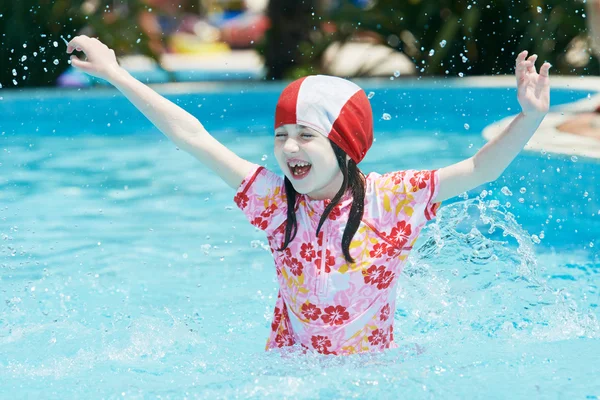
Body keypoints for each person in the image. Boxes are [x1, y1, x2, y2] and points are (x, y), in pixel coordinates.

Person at [66, 35, 551, 355]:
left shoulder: (393, 199)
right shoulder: (276, 203)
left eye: (305, 135)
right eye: (281, 135)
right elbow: (194, 136)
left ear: (344, 144)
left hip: (369, 376)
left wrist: (528, 118)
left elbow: (480, 168)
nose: (289, 148)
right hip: (288, 370)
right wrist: (117, 74)